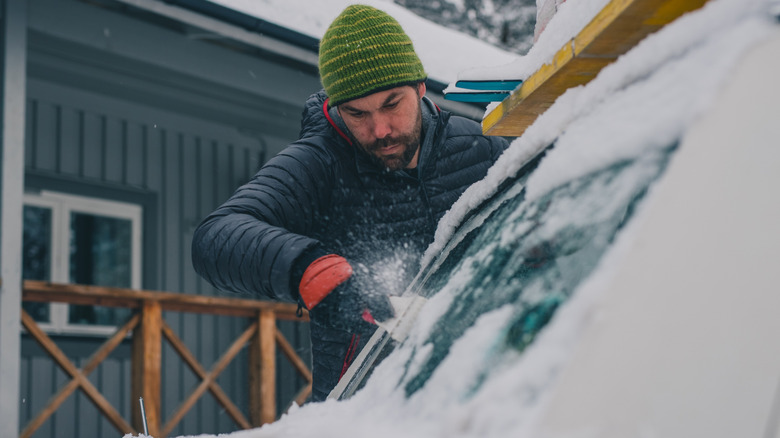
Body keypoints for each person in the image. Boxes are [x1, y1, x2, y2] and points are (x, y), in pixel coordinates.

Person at [191, 4, 509, 401]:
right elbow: (216, 237)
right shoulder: (319, 163)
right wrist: (310, 270)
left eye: (392, 104)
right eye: (357, 113)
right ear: (337, 108)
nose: (379, 129)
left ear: (420, 87)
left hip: (486, 386)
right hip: (365, 405)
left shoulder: (483, 147)